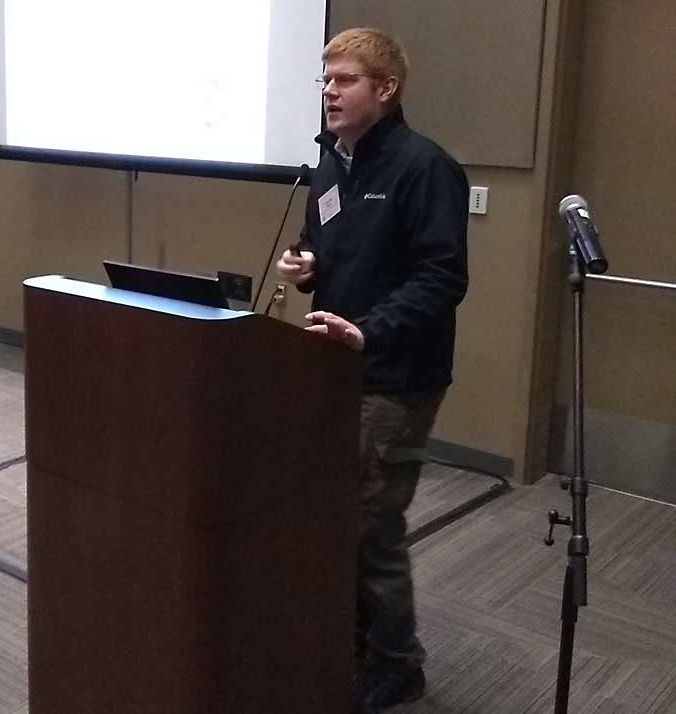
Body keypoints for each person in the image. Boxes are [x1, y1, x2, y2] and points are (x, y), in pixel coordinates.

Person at [275, 27, 469, 714]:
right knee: (338, 513)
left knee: (372, 521)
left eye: (344, 79)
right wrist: (306, 268)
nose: (328, 91)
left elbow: (442, 277)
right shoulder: (330, 164)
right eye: (325, 79)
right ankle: (355, 635)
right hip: (336, 364)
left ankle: (397, 663)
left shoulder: (425, 169)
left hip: (397, 374)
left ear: (384, 89)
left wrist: (371, 329)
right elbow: (324, 247)